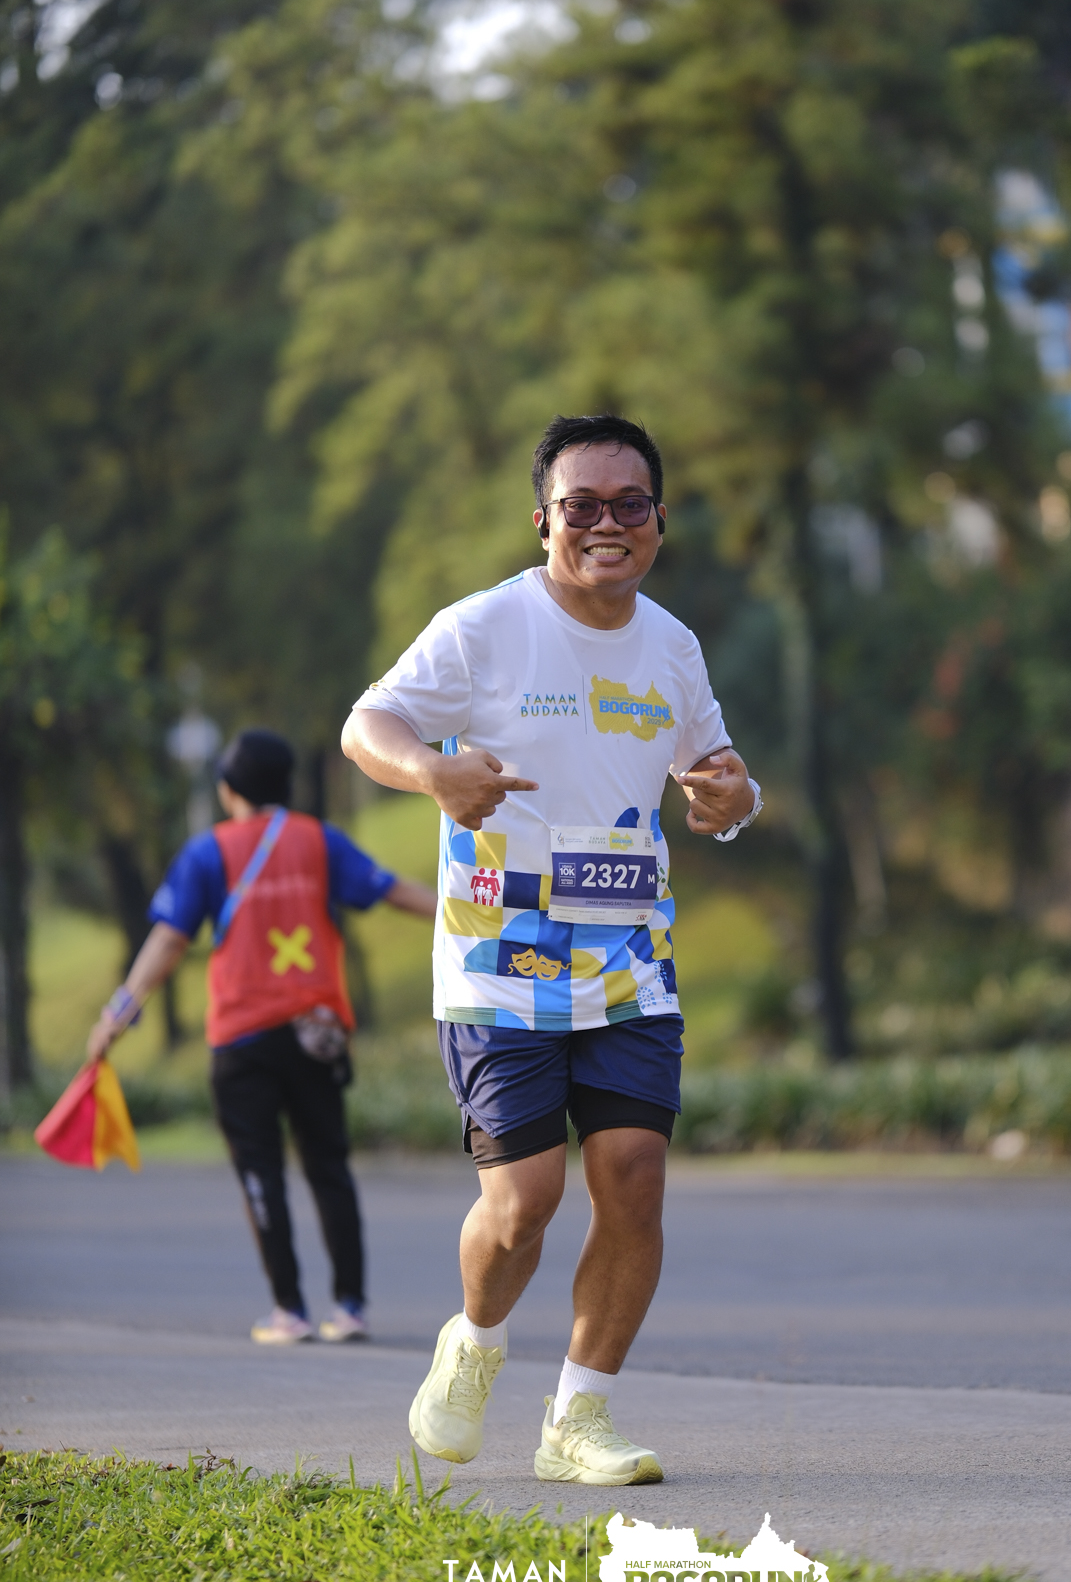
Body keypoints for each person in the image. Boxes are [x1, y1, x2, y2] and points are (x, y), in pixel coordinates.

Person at [341, 414, 762, 1485]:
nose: (606, 524)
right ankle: (475, 1339)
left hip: (627, 959)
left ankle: (579, 1417)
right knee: (524, 1200)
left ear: (658, 520)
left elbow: (717, 772)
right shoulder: (482, 628)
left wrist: (734, 798)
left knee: (633, 1177)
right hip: (498, 961)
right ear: (544, 521)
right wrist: (432, 774)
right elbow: (367, 726)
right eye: (582, 506)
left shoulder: (671, 646)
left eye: (630, 504)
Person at [85, 728, 437, 1344]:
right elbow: (392, 892)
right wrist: (477, 919)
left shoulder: (207, 853)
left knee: (261, 1171)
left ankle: (289, 1310)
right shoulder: (319, 840)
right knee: (329, 1167)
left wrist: (119, 1012)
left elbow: (169, 939)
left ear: (229, 790)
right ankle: (350, 1307)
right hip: (314, 1033)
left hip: (242, 1037)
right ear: (286, 786)